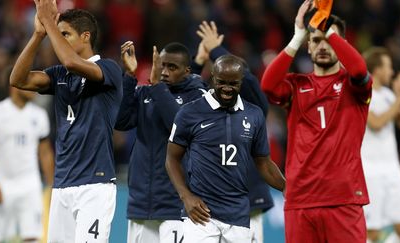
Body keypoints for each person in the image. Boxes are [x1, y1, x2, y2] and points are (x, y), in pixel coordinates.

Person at [9, 1, 124, 242]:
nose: (56, 39)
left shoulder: (108, 69)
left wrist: (49, 22)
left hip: (95, 184)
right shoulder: (60, 75)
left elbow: (72, 61)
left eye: (65, 34)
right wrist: (38, 34)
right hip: (62, 184)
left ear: (85, 36)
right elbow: (18, 79)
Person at [260, 1, 372, 242]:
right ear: (308, 47)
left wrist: (328, 28)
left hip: (343, 199)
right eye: (316, 40)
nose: (322, 46)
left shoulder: (354, 87)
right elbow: (267, 86)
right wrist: (297, 36)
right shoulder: (295, 84)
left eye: (329, 40)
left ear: (341, 45)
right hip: (301, 200)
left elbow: (360, 70)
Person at [166, 54, 285, 243]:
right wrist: (186, 196)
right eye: (221, 82)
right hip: (201, 215)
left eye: (233, 83)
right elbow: (172, 159)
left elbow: (264, 163)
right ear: (212, 77)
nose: (227, 88)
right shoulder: (189, 112)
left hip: (238, 215)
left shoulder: (254, 115)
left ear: (241, 81)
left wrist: (287, 188)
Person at [116, 41, 207, 243]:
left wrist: (157, 86)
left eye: (172, 67)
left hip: (177, 205)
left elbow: (179, 126)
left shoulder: (198, 97)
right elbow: (121, 122)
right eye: (162, 66)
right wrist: (130, 76)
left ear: (187, 70)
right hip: (142, 203)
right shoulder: (145, 94)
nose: (164, 72)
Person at [193, 20, 275, 243]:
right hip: (209, 202)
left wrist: (216, 51)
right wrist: (199, 60)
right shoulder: (201, 106)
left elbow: (247, 79)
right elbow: (182, 94)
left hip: (246, 198)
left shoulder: (251, 108)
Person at [0, 69, 54, 243]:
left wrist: (52, 185)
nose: (34, 88)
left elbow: (45, 152)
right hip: (2, 186)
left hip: (30, 186)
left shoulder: (39, 115)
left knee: (33, 237)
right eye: (29, 84)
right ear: (16, 85)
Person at [361, 47, 400, 243]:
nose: (391, 72)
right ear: (377, 69)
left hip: (392, 169)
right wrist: (399, 99)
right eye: (388, 67)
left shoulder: (389, 95)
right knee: (372, 232)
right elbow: (377, 123)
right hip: (371, 171)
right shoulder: (363, 94)